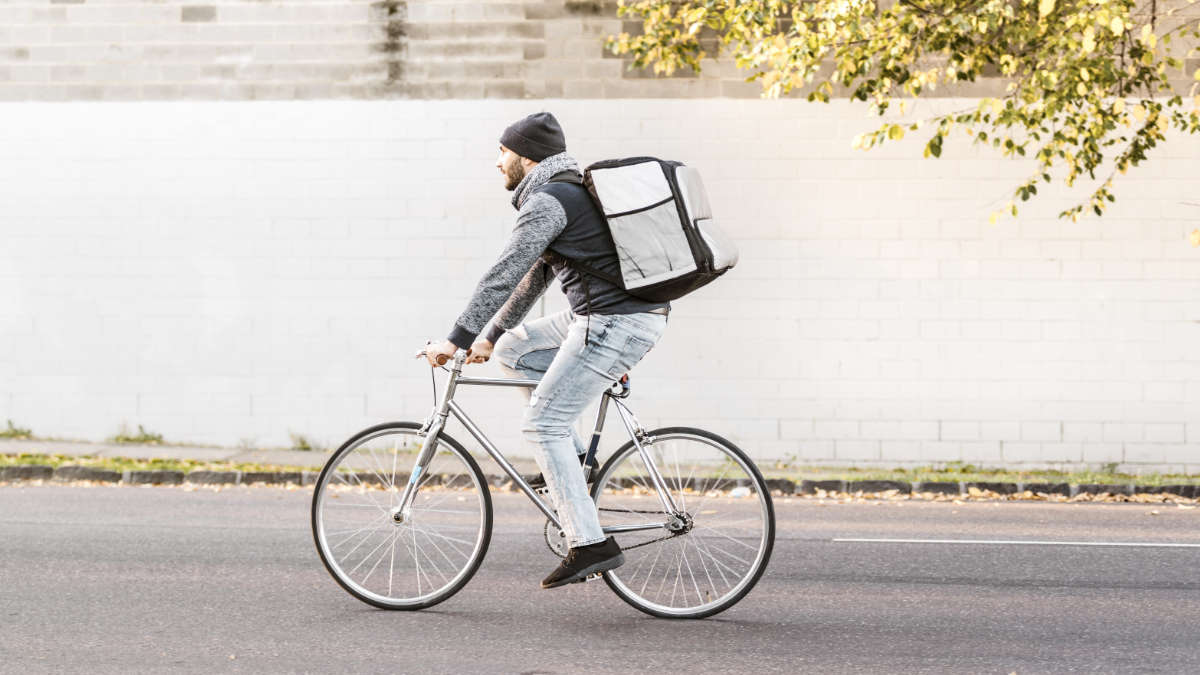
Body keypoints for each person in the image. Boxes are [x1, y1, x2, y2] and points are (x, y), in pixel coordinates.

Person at [423, 111, 669, 589]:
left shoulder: (548, 200)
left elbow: (505, 271)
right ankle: (577, 461)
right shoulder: (566, 193)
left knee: (543, 424)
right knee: (514, 350)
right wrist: (490, 336)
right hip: (612, 317)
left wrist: (455, 340)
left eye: (502, 152)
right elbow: (538, 274)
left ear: (526, 156)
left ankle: (589, 543)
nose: (497, 163)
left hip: (610, 322)